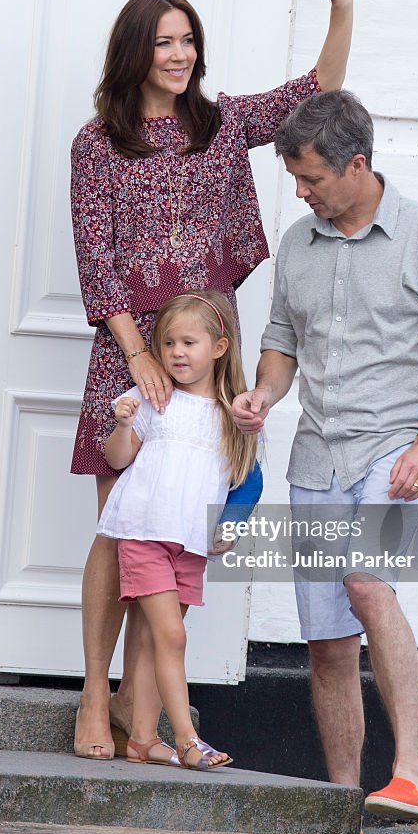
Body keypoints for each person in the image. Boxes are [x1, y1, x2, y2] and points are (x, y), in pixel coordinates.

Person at [71, 0, 354, 759]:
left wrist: (339, 3)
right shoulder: (99, 144)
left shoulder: (221, 123)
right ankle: (97, 695)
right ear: (134, 52)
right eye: (163, 40)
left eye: (187, 39)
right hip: (128, 351)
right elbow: (95, 257)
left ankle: (141, 706)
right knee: (124, 530)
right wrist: (136, 356)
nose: (179, 54)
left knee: (183, 528)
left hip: (207, 352)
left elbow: (318, 91)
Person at [231, 91, 418, 820]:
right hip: (317, 459)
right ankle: (345, 804)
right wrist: (263, 395)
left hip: (393, 450)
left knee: (367, 584)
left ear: (356, 164)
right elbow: (281, 342)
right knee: (328, 643)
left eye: (310, 179)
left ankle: (412, 774)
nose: (301, 193)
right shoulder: (298, 244)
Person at [96, 290, 254, 769]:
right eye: (168, 344)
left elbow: (246, 481)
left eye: (189, 342)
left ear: (219, 348)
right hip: (145, 531)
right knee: (171, 636)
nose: (177, 353)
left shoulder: (235, 416)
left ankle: (143, 737)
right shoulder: (150, 399)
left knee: (157, 640)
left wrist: (231, 526)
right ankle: (187, 740)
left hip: (189, 544)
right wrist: (122, 425)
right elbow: (118, 460)